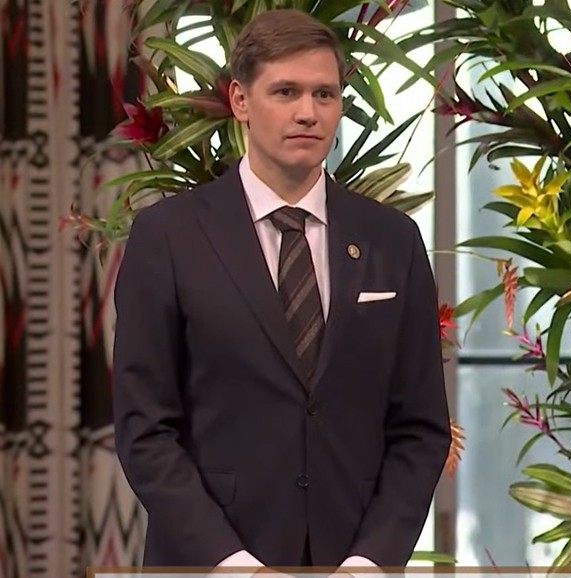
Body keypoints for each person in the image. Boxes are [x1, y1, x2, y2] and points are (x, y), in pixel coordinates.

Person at [110, 9, 450, 574]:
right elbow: (145, 430)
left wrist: (370, 561)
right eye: (286, 91)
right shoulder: (167, 237)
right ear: (240, 101)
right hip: (210, 563)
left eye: (324, 94)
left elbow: (420, 428)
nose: (307, 112)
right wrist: (232, 564)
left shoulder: (393, 240)